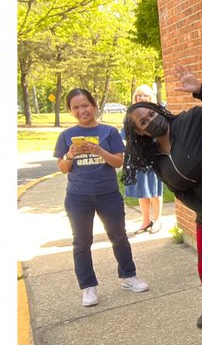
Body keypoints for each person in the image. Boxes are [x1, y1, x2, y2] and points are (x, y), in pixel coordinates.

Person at [123, 67, 202, 329]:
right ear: (140, 132)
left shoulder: (190, 121)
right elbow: (179, 190)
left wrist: (200, 90)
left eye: (152, 113)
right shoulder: (154, 157)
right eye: (144, 121)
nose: (151, 119)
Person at [56, 88, 150, 307]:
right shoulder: (66, 136)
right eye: (76, 107)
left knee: (119, 236)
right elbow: (62, 168)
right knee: (81, 242)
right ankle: (88, 287)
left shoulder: (109, 132)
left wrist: (99, 151)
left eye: (85, 105)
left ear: (95, 105)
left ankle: (129, 276)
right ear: (70, 111)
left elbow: (118, 162)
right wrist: (70, 155)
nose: (82, 110)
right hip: (78, 197)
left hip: (108, 195)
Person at [124, 84, 163, 235]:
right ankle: (146, 220)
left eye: (145, 95)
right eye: (138, 95)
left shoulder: (155, 113)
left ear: (150, 97)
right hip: (135, 156)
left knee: (153, 189)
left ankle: (158, 219)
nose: (141, 98)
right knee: (142, 190)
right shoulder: (130, 114)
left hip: (151, 155)